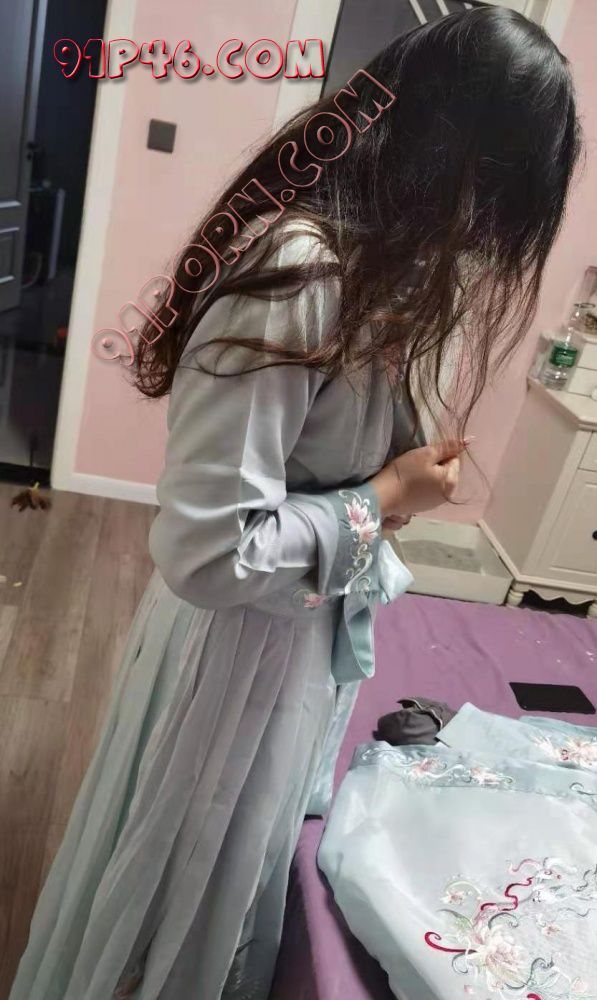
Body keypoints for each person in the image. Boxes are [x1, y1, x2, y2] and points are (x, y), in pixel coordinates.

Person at [11, 6, 580, 999]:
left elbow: (316, 463)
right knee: (179, 891)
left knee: (227, 880)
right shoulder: (298, 273)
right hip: (233, 649)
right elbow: (207, 552)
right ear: (460, 163)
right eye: (498, 203)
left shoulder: (380, 272)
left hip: (285, 640)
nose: (489, 238)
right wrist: (383, 496)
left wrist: (392, 481)